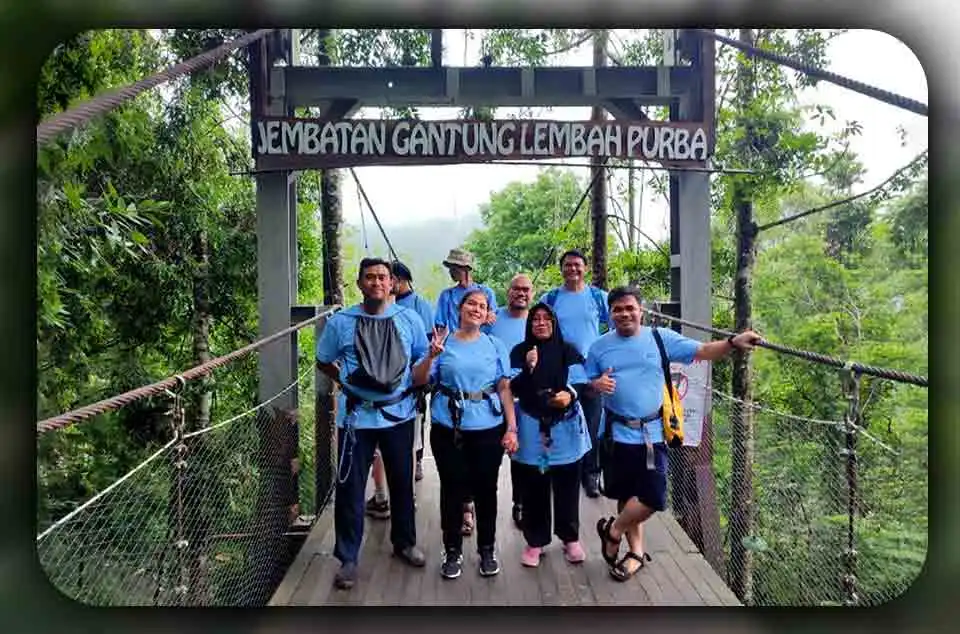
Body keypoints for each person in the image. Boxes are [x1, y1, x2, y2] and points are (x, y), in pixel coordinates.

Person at [587, 286, 761, 582]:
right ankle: (636, 553)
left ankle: (613, 530)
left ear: (640, 310)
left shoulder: (659, 338)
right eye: (617, 309)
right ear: (610, 313)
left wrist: (734, 341)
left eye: (630, 307)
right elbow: (589, 380)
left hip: (652, 434)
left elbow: (703, 351)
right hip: (616, 434)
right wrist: (597, 384)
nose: (624, 313)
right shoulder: (599, 347)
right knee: (628, 495)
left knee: (654, 497)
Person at [315, 257, 431, 591]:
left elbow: (421, 361)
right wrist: (347, 381)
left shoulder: (408, 319)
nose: (377, 282)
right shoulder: (342, 322)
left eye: (382, 277)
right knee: (351, 488)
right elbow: (323, 361)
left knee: (401, 482)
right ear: (360, 284)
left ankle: (405, 542)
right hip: (357, 418)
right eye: (370, 277)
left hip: (399, 415)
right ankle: (348, 557)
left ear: (392, 283)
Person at [413, 288, 519, 580]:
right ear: (460, 309)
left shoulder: (495, 345)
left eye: (482, 306)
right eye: (471, 303)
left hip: (488, 427)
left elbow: (504, 387)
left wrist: (511, 427)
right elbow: (420, 380)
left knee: (486, 489)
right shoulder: (442, 343)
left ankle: (486, 548)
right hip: (449, 428)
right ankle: (452, 549)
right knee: (452, 488)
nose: (476, 308)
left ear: (487, 315)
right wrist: (431, 357)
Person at [509, 302, 591, 567]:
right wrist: (528, 368)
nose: (541, 323)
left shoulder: (569, 351)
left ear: (554, 324)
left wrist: (569, 394)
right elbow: (513, 387)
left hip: (565, 429)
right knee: (536, 485)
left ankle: (570, 538)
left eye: (546, 319)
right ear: (529, 325)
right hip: (534, 431)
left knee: (568, 483)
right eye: (535, 319)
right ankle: (535, 541)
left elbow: (579, 379)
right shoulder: (520, 352)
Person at [434, 247, 498, 535]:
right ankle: (460, 514)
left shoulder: (485, 292)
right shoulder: (446, 297)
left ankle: (470, 509)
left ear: (467, 268)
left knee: (481, 469)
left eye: (457, 267)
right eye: (452, 267)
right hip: (451, 356)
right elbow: (439, 327)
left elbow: (491, 322)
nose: (453, 271)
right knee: (454, 469)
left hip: (479, 359)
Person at [538, 249, 610, 499]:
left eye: (577, 265)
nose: (573, 269)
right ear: (562, 269)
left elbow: (615, 327)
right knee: (556, 421)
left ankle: (590, 475)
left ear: (585, 268)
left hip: (592, 373)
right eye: (568, 265)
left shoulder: (598, 297)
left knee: (591, 424)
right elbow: (538, 329)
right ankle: (558, 470)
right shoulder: (551, 298)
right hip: (561, 372)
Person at [483, 273, 533, 528]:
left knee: (521, 453)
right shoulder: (492, 319)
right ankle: (475, 505)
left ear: (532, 294)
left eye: (526, 290)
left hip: (524, 396)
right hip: (493, 396)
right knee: (487, 452)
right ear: (508, 290)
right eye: (516, 289)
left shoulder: (538, 321)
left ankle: (521, 503)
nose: (521, 293)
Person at [392, 260, 434, 483]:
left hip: (414, 374)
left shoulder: (420, 305)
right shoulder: (385, 304)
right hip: (389, 376)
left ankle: (417, 459)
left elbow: (428, 342)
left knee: (418, 416)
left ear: (399, 280)